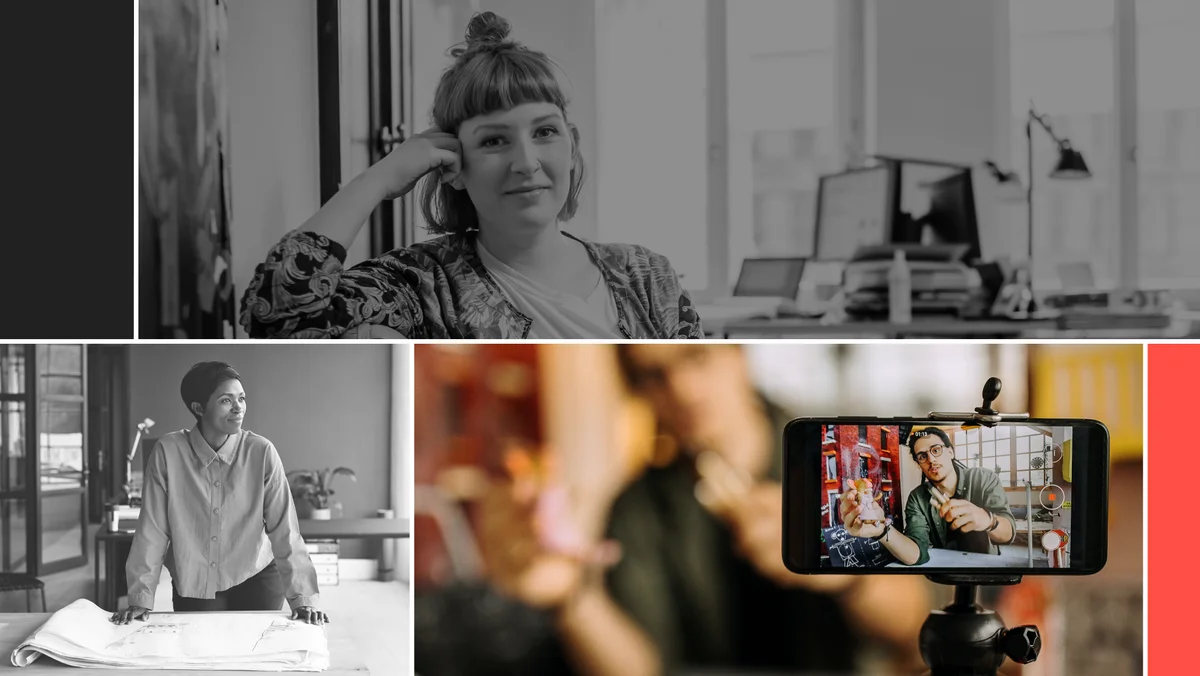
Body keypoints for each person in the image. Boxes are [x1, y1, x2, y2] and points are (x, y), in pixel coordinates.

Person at [240, 12, 700, 340]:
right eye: (494, 141)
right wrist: (376, 180)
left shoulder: (646, 274)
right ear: (453, 166)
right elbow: (276, 316)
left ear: (572, 145)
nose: (526, 162)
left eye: (544, 132)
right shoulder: (421, 285)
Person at [479, 344, 928, 675]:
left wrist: (838, 557)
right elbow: (639, 667)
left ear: (738, 354)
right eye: (653, 376)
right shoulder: (637, 508)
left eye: (696, 357)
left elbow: (914, 627)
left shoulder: (849, 457)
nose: (682, 388)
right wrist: (571, 597)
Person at [111, 362, 327, 625]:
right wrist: (140, 599)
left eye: (242, 398)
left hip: (256, 576)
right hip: (194, 578)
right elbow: (152, 530)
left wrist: (303, 598)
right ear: (198, 408)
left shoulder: (262, 452)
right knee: (199, 657)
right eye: (226, 400)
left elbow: (286, 530)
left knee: (253, 658)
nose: (238, 408)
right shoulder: (167, 452)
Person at [841, 427, 1016, 566]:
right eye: (922, 456)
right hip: (943, 568)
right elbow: (916, 553)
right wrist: (881, 530)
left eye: (936, 450)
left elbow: (1008, 535)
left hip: (986, 566)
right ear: (919, 465)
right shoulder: (917, 498)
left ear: (950, 452)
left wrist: (988, 520)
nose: (931, 459)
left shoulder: (983, 478)